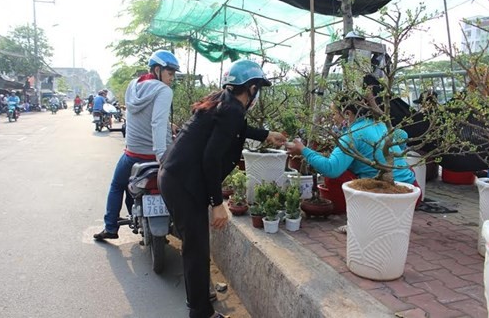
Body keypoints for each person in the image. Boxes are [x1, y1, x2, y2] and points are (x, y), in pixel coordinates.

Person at [157, 59, 286, 318]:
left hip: (174, 175)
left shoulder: (222, 100)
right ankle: (201, 312)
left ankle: (198, 299)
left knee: (196, 246)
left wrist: (267, 134)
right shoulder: (233, 110)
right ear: (250, 89)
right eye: (257, 88)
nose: (257, 95)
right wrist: (218, 204)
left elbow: (236, 129)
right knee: (197, 249)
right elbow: (211, 158)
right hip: (183, 183)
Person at [286, 75, 420, 211]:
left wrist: (303, 150)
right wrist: (396, 156)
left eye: (334, 114)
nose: (333, 119)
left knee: (335, 175)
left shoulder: (351, 136)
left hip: (388, 198)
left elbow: (331, 169)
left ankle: (350, 213)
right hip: (412, 191)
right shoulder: (379, 123)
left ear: (348, 114)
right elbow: (403, 135)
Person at [93, 50, 181, 241]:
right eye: (170, 73)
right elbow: (156, 123)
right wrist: (160, 154)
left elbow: (145, 118)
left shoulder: (133, 87)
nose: (172, 78)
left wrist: (168, 126)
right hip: (157, 156)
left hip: (132, 155)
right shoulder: (163, 90)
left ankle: (110, 227)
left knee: (118, 185)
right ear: (157, 70)